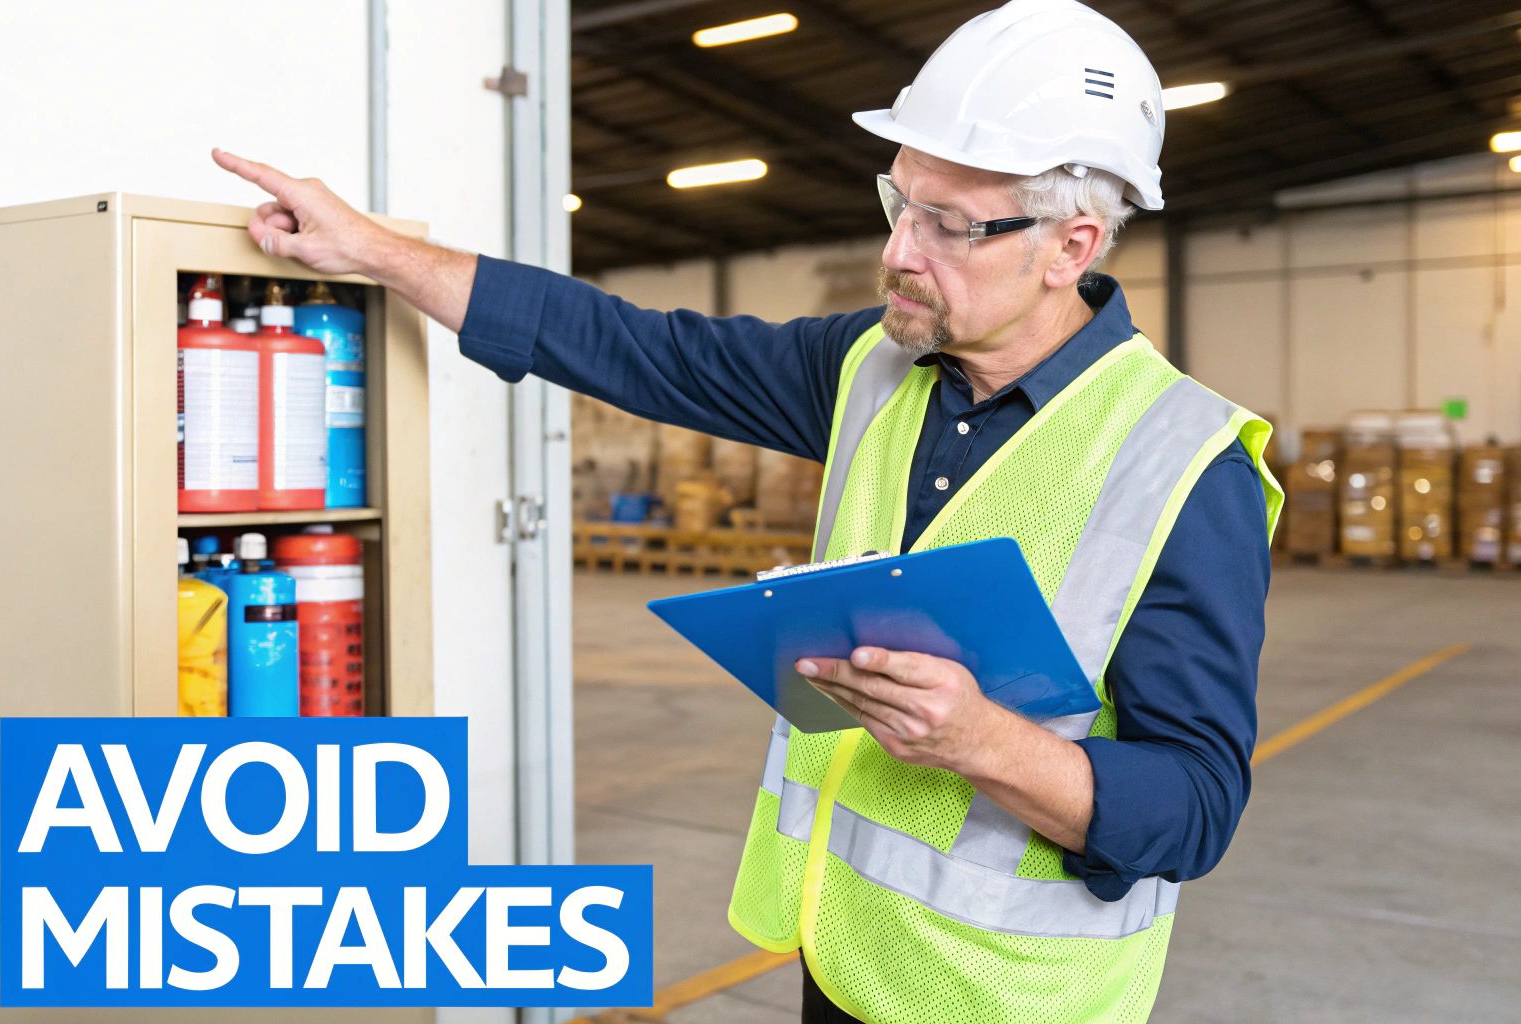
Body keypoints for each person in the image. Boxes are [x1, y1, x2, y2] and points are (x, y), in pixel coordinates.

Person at [213, 1, 1280, 1018]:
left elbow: (1189, 807)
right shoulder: (871, 365)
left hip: (1009, 998)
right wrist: (376, 254)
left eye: (949, 225)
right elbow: (637, 349)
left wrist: (981, 740)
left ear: (1070, 249)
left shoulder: (1183, 464)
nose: (899, 251)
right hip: (843, 958)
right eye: (899, 201)